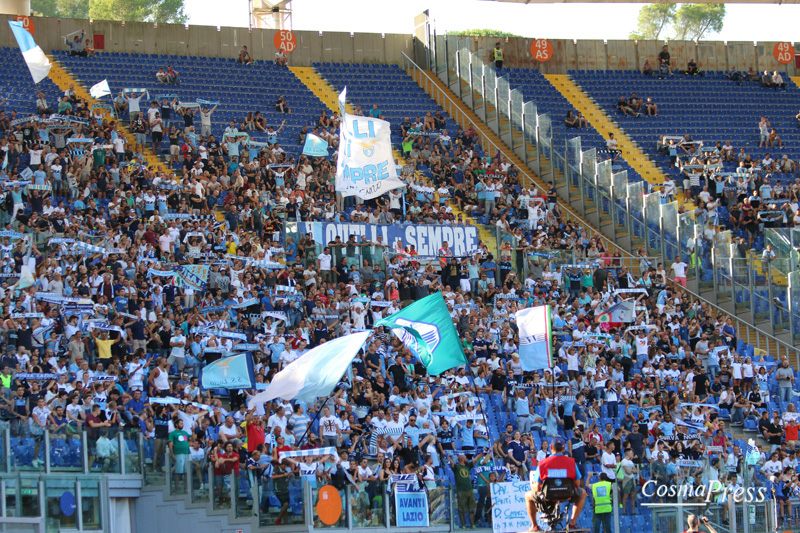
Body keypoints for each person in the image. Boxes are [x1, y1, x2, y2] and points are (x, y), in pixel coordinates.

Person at [525, 436, 586, 531]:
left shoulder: (542, 463)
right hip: (566, 495)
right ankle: (572, 523)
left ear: (550, 447)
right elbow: (577, 483)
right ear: (564, 448)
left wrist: (533, 486)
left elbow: (537, 488)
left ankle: (534, 526)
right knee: (583, 493)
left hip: (547, 496)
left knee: (528, 495)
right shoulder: (571, 462)